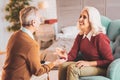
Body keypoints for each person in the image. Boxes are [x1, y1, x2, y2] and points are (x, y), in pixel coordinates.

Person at [1, 6, 66, 80]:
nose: (40, 22)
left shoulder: (15, 35)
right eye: (39, 19)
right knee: (45, 74)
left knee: (45, 65)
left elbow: (25, 57)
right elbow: (38, 71)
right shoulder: (31, 44)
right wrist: (55, 63)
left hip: (6, 77)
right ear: (33, 22)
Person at [56, 6, 114, 80]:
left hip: (101, 68)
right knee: (63, 66)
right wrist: (64, 56)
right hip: (87, 65)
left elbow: (109, 60)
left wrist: (89, 64)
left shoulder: (100, 37)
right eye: (80, 16)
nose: (80, 19)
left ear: (92, 20)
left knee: (73, 68)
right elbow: (72, 55)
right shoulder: (80, 36)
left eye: (84, 17)